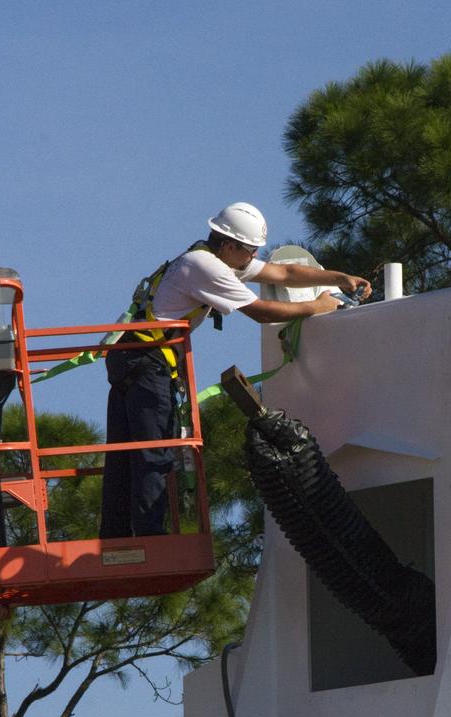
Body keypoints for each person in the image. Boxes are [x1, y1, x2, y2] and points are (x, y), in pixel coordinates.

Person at [99, 202, 371, 539]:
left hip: (133, 355)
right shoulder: (206, 268)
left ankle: (116, 536)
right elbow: (261, 312)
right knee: (153, 451)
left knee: (125, 451)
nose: (252, 257)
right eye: (250, 251)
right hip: (147, 360)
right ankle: (150, 540)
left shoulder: (209, 257)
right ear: (230, 246)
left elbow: (282, 273)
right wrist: (319, 306)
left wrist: (338, 277)